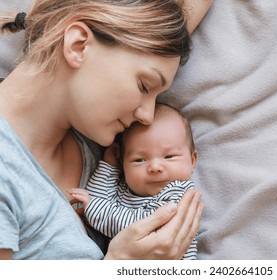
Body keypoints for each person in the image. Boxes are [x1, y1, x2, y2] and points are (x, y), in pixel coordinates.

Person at [0, 0, 212, 260]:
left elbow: (165, 29)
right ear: (78, 46)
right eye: (145, 87)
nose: (147, 117)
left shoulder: (87, 129)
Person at [69, 103, 199, 259]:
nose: (155, 167)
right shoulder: (125, 188)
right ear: (123, 163)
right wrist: (109, 166)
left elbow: (137, 228)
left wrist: (94, 208)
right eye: (139, 160)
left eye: (169, 157)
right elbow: (97, 201)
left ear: (192, 160)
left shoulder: (179, 193)